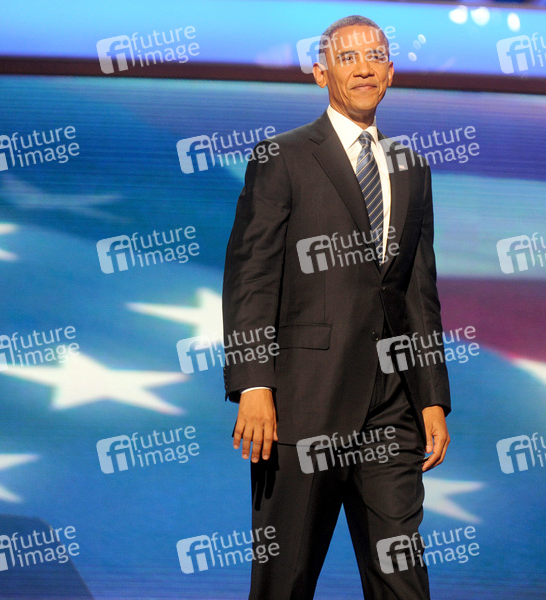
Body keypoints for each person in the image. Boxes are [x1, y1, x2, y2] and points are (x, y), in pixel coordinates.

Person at [222, 14, 452, 600]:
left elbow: (417, 291)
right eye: (347, 57)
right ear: (321, 72)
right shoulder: (283, 156)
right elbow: (251, 276)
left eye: (375, 56)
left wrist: (431, 397)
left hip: (392, 412)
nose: (363, 68)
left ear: (391, 73)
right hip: (303, 409)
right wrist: (254, 385)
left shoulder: (413, 167)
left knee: (403, 583)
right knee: (284, 583)